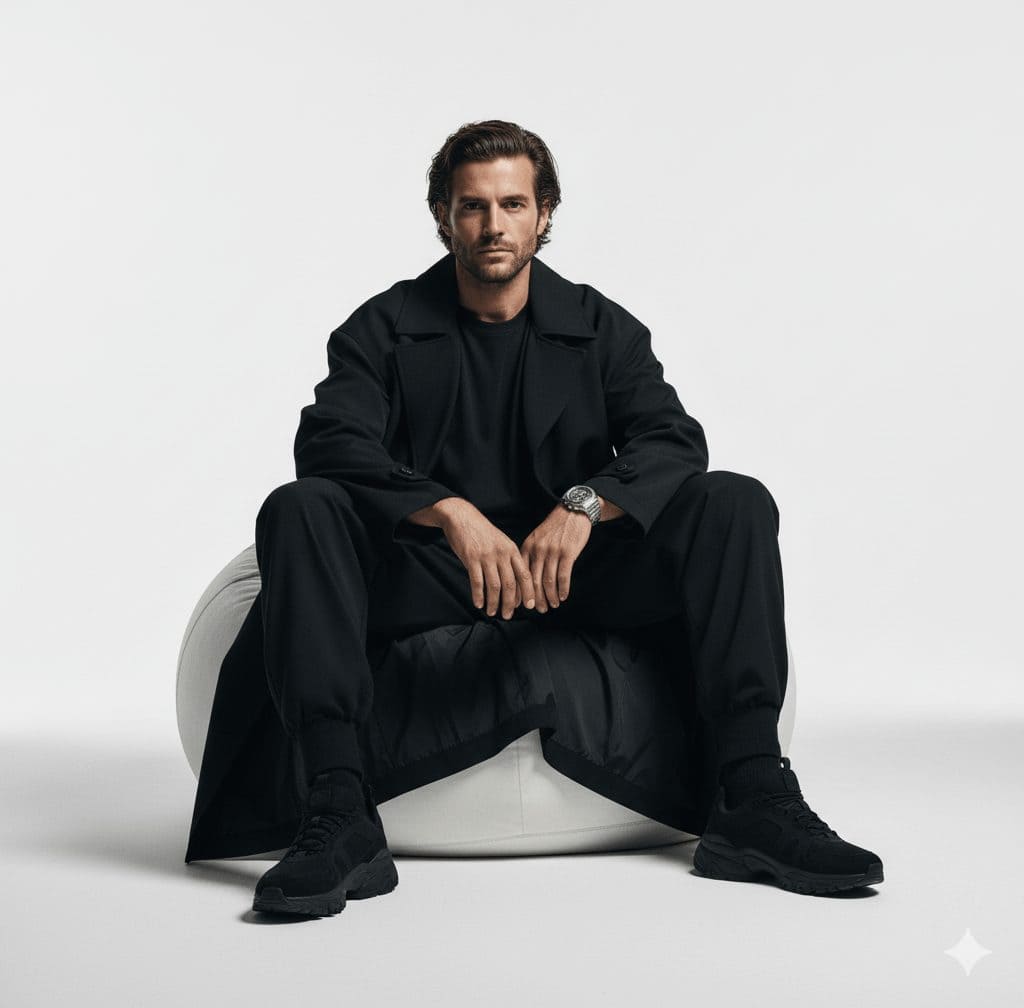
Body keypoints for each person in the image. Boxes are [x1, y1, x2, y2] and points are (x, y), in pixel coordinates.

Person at [249, 119, 883, 916]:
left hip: (577, 576)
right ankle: (338, 812)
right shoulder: (380, 326)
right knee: (299, 507)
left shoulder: (598, 323)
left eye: (512, 204)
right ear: (443, 216)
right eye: (472, 207)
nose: (492, 225)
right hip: (433, 575)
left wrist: (584, 505)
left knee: (736, 500)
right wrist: (447, 512)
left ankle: (755, 795)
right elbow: (332, 439)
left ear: (544, 213)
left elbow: (671, 438)